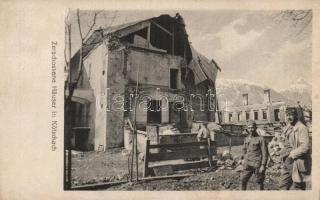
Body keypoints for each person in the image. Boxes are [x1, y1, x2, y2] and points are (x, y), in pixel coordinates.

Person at [279, 107, 311, 190]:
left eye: (291, 115)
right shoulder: (288, 128)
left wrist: (291, 155)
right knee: (282, 186)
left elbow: (305, 147)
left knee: (298, 186)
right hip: (287, 161)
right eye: (287, 115)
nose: (288, 117)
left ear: (296, 116)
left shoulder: (301, 128)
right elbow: (284, 141)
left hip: (297, 161)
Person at [240, 120, 268, 190]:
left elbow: (265, 153)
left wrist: (263, 165)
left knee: (258, 182)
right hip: (247, 164)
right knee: (242, 180)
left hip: (257, 164)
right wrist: (242, 159)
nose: (251, 130)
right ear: (247, 129)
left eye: (252, 128)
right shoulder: (246, 139)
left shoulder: (261, 139)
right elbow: (244, 150)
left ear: (256, 128)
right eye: (249, 128)